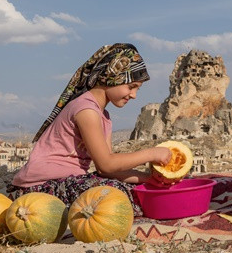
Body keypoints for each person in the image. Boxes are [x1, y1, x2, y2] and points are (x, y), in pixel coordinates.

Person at [9, 43, 173, 214]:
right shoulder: (86, 110)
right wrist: (152, 154)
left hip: (68, 180)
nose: (133, 95)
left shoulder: (103, 116)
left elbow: (106, 170)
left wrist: (148, 179)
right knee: (117, 196)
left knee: (133, 190)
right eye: (131, 87)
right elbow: (107, 164)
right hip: (40, 186)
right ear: (112, 77)